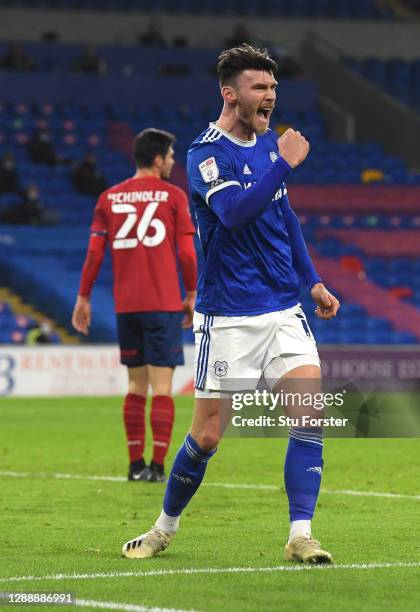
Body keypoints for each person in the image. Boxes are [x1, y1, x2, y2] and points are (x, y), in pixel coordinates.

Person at [121, 45, 340, 563]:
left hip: (284, 308)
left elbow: (286, 222)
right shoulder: (204, 154)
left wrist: (311, 281)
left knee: (309, 416)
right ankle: (163, 528)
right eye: (259, 88)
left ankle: (300, 535)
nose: (270, 97)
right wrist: (283, 166)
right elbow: (237, 213)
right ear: (230, 93)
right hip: (228, 316)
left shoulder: (267, 146)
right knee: (209, 433)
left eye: (273, 88)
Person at [72, 128, 197, 483]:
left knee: (134, 386)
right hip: (162, 304)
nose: (173, 160)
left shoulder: (108, 198)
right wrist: (190, 294)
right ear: (158, 159)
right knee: (161, 387)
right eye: (171, 155)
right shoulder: (173, 197)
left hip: (127, 306)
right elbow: (187, 253)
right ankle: (157, 467)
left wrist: (83, 297)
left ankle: (133, 465)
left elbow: (95, 254)